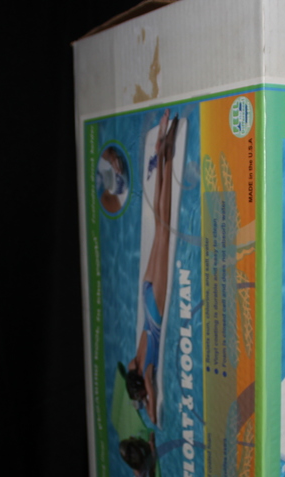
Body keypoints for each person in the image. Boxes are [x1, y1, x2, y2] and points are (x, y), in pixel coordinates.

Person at [124, 109, 179, 426]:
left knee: (164, 226)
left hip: (155, 307)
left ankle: (166, 156)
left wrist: (150, 412)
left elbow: (151, 401)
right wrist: (138, 398)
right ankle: (162, 148)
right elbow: (136, 383)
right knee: (160, 226)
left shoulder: (145, 371)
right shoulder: (134, 360)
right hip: (146, 296)